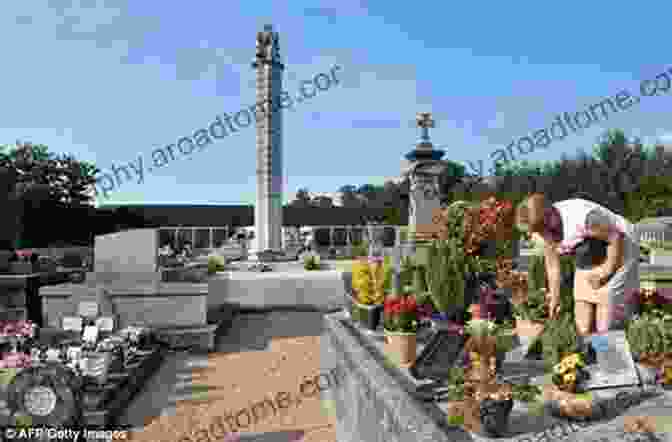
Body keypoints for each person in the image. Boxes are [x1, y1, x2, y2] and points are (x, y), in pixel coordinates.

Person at [515, 193, 639, 348]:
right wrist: (554, 298)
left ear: (550, 217)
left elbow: (615, 237)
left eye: (540, 229)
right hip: (587, 252)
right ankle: (587, 354)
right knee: (582, 313)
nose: (538, 234)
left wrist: (606, 272)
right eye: (535, 231)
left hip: (621, 246)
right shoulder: (544, 230)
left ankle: (610, 359)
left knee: (604, 317)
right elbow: (553, 266)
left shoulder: (584, 218)